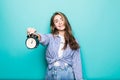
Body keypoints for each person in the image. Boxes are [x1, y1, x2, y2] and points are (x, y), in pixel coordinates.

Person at [27, 12, 82, 80]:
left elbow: (77, 63)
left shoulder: (74, 41)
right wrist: (34, 35)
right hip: (51, 74)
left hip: (67, 74)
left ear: (66, 21)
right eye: (56, 21)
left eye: (62, 19)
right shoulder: (50, 37)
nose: (60, 22)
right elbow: (43, 38)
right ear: (54, 25)